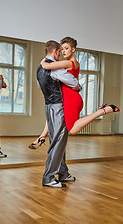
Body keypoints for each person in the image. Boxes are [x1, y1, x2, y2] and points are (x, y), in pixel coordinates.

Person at [31, 36, 120, 148]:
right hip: (68, 97)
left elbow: (46, 66)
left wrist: (44, 60)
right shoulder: (69, 63)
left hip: (71, 99)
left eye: (66, 48)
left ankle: (102, 111)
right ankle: (42, 136)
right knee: (52, 113)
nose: (63, 51)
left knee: (72, 129)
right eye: (62, 49)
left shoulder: (69, 63)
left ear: (73, 49)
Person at [36, 40, 81, 188]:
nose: (60, 54)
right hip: (57, 107)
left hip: (48, 106)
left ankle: (63, 172)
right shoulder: (55, 68)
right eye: (59, 51)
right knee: (58, 141)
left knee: (58, 141)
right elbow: (73, 82)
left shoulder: (39, 69)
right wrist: (78, 86)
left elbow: (40, 86)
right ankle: (49, 177)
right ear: (55, 51)